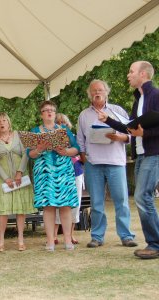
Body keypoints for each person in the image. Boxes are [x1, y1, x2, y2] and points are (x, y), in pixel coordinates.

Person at [98, 61, 159, 259]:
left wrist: (146, 133)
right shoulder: (138, 99)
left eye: (131, 71)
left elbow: (143, 130)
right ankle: (154, 243)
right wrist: (108, 120)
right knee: (143, 197)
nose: (128, 75)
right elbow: (130, 128)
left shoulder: (156, 95)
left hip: (154, 153)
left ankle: (155, 244)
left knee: (142, 196)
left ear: (143, 74)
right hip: (141, 154)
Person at [77, 79, 137, 248]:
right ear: (90, 94)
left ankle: (126, 235)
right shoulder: (84, 115)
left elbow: (132, 133)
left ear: (106, 92)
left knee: (122, 200)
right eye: (94, 90)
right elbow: (80, 140)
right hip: (93, 163)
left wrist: (121, 137)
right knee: (96, 203)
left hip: (115, 162)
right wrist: (83, 158)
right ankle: (97, 236)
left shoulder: (117, 110)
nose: (97, 92)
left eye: (101, 90)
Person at [27, 100, 79, 251]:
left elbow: (76, 148)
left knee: (65, 206)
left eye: (52, 110)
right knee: (48, 206)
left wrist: (66, 151)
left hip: (63, 170)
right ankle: (50, 240)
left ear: (55, 114)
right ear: (41, 114)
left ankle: (68, 240)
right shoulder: (35, 131)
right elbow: (30, 154)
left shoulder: (64, 130)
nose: (49, 112)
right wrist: (39, 149)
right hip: (44, 172)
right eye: (46, 110)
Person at [0, 112, 35, 252]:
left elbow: (26, 154)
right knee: (3, 211)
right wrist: (6, 178)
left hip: (20, 178)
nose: (1, 123)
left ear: (9, 123)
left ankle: (21, 239)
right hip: (3, 179)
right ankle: (1, 241)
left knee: (21, 210)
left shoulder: (19, 135)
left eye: (4, 121)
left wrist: (20, 172)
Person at [54, 113, 84, 245]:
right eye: (59, 122)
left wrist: (76, 157)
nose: (62, 125)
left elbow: (83, 156)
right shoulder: (51, 140)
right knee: (55, 204)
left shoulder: (76, 138)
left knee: (75, 204)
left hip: (76, 173)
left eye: (64, 123)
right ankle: (54, 235)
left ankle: (71, 234)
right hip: (58, 175)